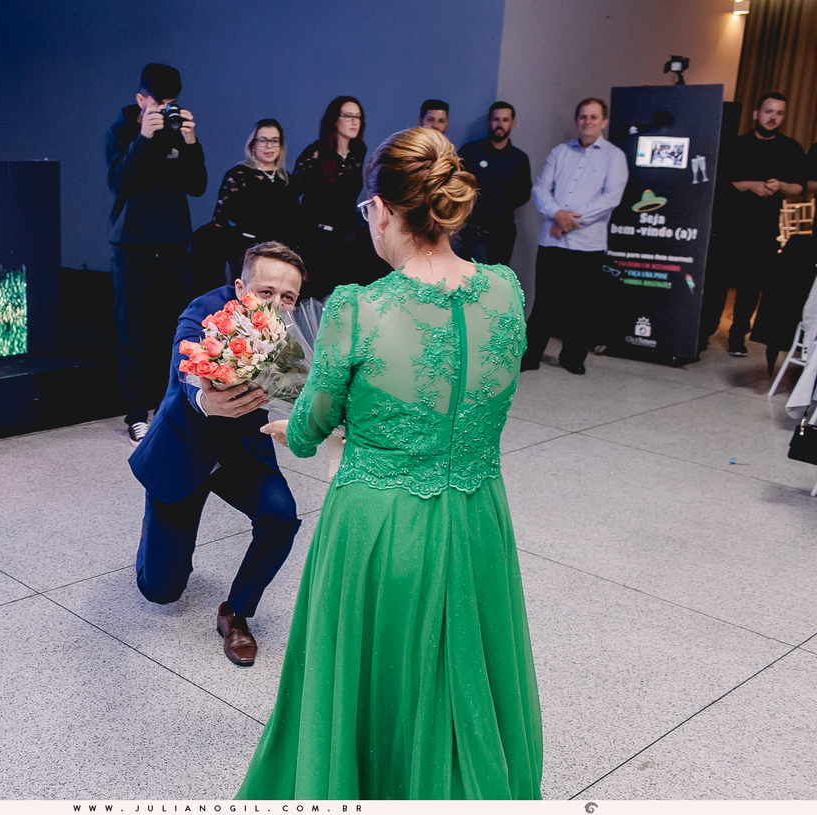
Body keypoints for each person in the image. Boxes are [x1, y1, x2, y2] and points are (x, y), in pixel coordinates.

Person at [238, 128, 541, 799]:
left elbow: (311, 428)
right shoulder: (505, 290)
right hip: (478, 513)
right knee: (465, 670)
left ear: (380, 209)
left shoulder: (359, 308)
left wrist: (295, 427)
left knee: (375, 681)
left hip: (380, 525)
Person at [128, 241, 304, 668]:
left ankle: (236, 614)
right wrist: (207, 400)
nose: (276, 305)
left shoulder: (290, 332)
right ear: (241, 288)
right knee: (161, 591)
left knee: (281, 516)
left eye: (288, 297)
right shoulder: (205, 310)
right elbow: (185, 365)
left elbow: (301, 386)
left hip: (241, 452)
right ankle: (155, 543)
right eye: (266, 292)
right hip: (185, 447)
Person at [106, 62, 206, 446]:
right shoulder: (120, 131)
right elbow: (119, 182)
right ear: (140, 99)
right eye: (158, 103)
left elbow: (197, 185)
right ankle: (137, 415)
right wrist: (144, 139)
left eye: (171, 103)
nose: (165, 110)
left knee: (181, 331)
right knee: (132, 335)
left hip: (174, 245)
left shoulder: (177, 130)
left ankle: (178, 407)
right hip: (131, 248)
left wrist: (191, 143)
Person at [522, 97, 628, 375]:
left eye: (593, 117)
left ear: (604, 122)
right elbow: (540, 188)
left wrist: (567, 221)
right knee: (544, 302)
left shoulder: (614, 156)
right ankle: (530, 357)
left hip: (587, 244)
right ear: (576, 120)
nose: (587, 122)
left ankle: (572, 358)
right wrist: (558, 214)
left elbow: (610, 198)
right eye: (583, 117)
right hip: (552, 241)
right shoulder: (560, 152)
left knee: (580, 305)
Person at [710, 93, 804, 357]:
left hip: (764, 229)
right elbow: (718, 183)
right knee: (717, 282)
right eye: (768, 111)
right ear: (756, 114)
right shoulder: (735, 145)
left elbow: (798, 187)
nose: (773, 117)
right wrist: (749, 185)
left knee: (751, 286)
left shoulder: (791, 148)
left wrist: (781, 185)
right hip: (729, 226)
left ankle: (738, 335)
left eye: (779, 113)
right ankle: (705, 330)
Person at [293, 96, 367, 301]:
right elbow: (292, 195)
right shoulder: (315, 153)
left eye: (358, 117)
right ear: (335, 120)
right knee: (321, 295)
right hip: (319, 239)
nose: (354, 122)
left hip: (347, 237)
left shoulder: (358, 151)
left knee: (349, 296)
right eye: (348, 116)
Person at [209, 118, 300, 278]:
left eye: (274, 140)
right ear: (253, 145)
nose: (269, 146)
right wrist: (236, 251)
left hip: (281, 256)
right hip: (249, 255)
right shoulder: (239, 176)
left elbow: (294, 222)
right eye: (263, 140)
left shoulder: (286, 179)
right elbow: (219, 221)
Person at [456, 101, 531, 265]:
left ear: (513, 123)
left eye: (505, 120)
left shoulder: (519, 159)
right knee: (477, 274)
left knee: (498, 276)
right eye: (496, 119)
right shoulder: (471, 151)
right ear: (489, 122)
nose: (500, 124)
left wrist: (501, 206)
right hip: (473, 229)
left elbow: (525, 193)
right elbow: (457, 184)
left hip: (503, 231)